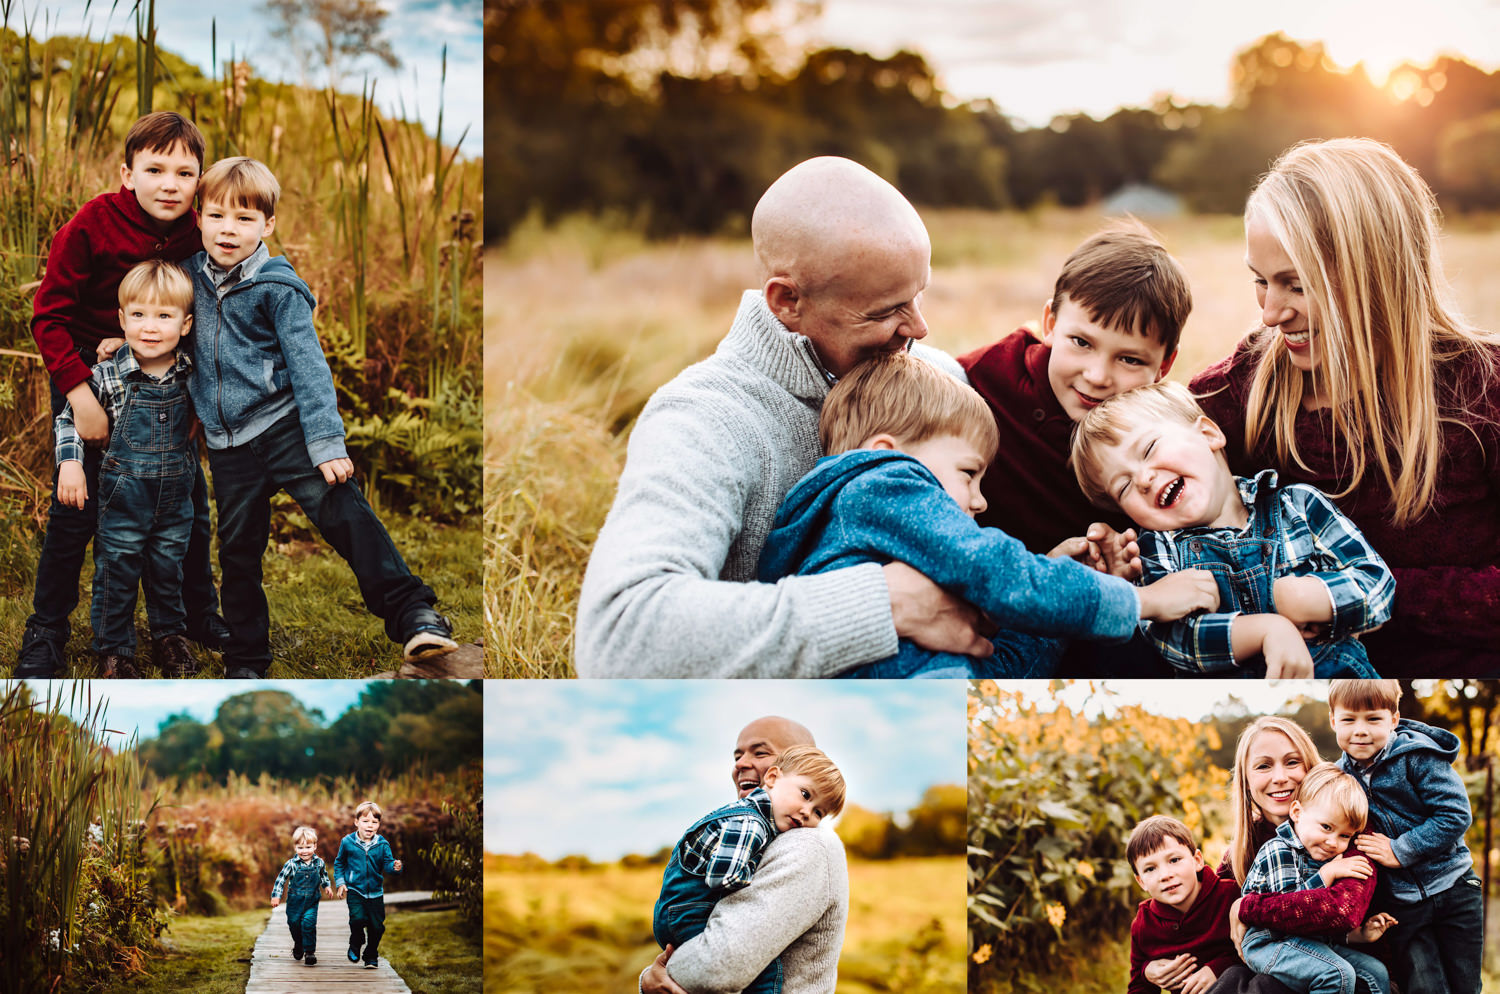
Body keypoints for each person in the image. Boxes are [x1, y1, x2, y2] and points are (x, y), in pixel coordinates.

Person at [577, 156, 994, 677]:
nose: (920, 327)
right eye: (886, 310)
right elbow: (619, 637)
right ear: (787, 300)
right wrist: (880, 606)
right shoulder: (704, 419)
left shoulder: (938, 378)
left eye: (918, 294)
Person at [1190, 137, 1500, 677]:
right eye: (1260, 282)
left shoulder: (1482, 389)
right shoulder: (1236, 395)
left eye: (1296, 285)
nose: (1269, 314)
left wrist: (1359, 599)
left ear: (1376, 276)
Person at [758, 352, 1219, 677]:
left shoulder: (880, 548)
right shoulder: (881, 485)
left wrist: (1062, 581)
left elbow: (1002, 671)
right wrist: (1142, 602)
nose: (980, 502)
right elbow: (999, 570)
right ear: (888, 452)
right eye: (968, 473)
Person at [183, 156, 456, 675]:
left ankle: (414, 614)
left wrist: (327, 442)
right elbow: (166, 325)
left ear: (268, 226)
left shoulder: (277, 288)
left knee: (345, 517)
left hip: (288, 429)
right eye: (217, 215)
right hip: (228, 446)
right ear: (198, 217)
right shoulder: (188, 277)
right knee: (238, 553)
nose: (227, 229)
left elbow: (310, 370)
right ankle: (246, 657)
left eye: (244, 219)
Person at [16, 110, 228, 676]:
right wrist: (79, 397)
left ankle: (196, 616)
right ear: (127, 174)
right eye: (155, 169)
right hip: (91, 381)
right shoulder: (92, 224)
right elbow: (48, 318)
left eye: (185, 174)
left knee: (188, 507)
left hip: (167, 386)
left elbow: (208, 316)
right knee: (75, 512)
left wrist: (203, 399)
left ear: (200, 182)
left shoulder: (197, 231)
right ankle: (47, 630)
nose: (170, 184)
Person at [1071, 381, 1392, 678]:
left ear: (1208, 435)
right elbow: (1175, 641)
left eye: (1149, 448)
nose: (1142, 479)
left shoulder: (1298, 506)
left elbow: (1377, 585)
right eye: (1123, 486)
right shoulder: (1158, 549)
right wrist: (1267, 629)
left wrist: (1308, 598)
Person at [959, 219, 1189, 558]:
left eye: (1129, 360)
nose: (1097, 376)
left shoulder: (1165, 439)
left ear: (1164, 366)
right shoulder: (979, 382)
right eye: (1081, 342)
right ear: (1050, 324)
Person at [1149, 716, 1390, 994]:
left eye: (1292, 762)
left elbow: (1341, 912)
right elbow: (1205, 925)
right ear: (1247, 781)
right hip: (1286, 954)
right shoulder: (1241, 851)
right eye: (1264, 766)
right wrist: (1150, 966)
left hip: (1346, 962)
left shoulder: (1348, 828)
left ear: (1310, 767)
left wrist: (1244, 906)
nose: (1280, 777)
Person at [52, 261, 204, 677]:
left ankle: (170, 636)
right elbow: (68, 420)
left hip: (175, 500)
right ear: (121, 320)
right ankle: (115, 649)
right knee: (116, 569)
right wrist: (70, 465)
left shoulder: (191, 373)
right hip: (123, 499)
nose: (150, 327)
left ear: (186, 324)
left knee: (167, 568)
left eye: (164, 316)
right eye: (138, 315)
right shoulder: (107, 375)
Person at [640, 716, 849, 994]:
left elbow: (719, 965)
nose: (740, 764)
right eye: (737, 755)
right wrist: (650, 980)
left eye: (760, 752)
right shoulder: (754, 827)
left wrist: (654, 979)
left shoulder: (807, 844)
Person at [1328, 680, 1481, 994]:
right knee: (1424, 986)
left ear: (1393, 720)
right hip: (1402, 903)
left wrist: (1401, 849)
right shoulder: (1339, 778)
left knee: (1465, 983)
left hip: (1454, 887)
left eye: (1373, 719)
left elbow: (1455, 814)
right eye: (1348, 720)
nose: (1360, 730)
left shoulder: (1417, 757)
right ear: (1333, 721)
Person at [1237, 763, 1389, 994]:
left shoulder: (1323, 853)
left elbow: (1320, 920)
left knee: (1376, 972)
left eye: (1344, 835)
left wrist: (1358, 935)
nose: (1333, 842)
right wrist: (1327, 874)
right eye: (1326, 827)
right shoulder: (1279, 850)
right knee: (1337, 974)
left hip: (1308, 942)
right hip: (1270, 943)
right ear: (1297, 813)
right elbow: (1288, 908)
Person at [1126, 816, 1241, 994]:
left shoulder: (1230, 896)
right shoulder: (1144, 924)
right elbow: (1138, 986)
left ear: (1197, 860)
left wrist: (1218, 970)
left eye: (1174, 860)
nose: (1165, 875)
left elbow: (1260, 953)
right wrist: (1146, 972)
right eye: (1150, 869)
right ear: (1141, 882)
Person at [333, 800, 402, 970]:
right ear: (356, 822)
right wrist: (341, 883)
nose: (370, 825)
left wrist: (394, 867)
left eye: (374, 822)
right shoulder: (347, 842)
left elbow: (387, 865)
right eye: (365, 821)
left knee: (377, 927)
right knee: (357, 919)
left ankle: (371, 955)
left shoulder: (382, 844)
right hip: (355, 889)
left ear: (379, 824)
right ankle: (356, 942)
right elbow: (339, 864)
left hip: (376, 892)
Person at [270, 825, 334, 967]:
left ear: (315, 846)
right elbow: (281, 880)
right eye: (300, 848)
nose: (304, 851)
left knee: (308, 925)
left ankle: (310, 952)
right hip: (294, 902)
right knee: (294, 924)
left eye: (308, 847)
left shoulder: (319, 863)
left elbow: (323, 876)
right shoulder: (291, 864)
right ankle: (299, 944)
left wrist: (327, 887)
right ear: (295, 848)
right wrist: (276, 896)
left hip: (312, 901)